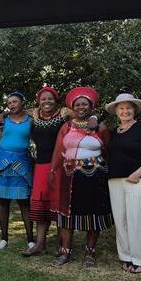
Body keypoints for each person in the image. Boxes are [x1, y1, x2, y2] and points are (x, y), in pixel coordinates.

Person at [50, 86, 113, 267]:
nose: (81, 107)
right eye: (77, 104)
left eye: (85, 104)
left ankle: (90, 252)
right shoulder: (67, 127)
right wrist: (53, 171)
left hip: (94, 175)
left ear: (91, 106)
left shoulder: (100, 127)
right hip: (69, 175)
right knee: (67, 214)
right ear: (73, 107)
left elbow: (108, 149)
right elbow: (58, 151)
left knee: (93, 212)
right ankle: (65, 251)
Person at [105, 92, 141, 274]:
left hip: (138, 180)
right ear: (116, 111)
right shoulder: (114, 132)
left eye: (128, 108)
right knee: (121, 220)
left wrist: (138, 173)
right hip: (115, 180)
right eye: (121, 108)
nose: (125, 111)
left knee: (138, 220)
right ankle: (126, 256)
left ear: (134, 110)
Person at [23, 86, 67, 256]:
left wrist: (93, 118)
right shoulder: (34, 115)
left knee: (59, 203)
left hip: (60, 165)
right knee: (40, 205)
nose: (46, 101)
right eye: (43, 99)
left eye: (50, 98)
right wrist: (2, 118)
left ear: (56, 100)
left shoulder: (63, 113)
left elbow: (82, 114)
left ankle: (62, 244)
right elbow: (16, 111)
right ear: (38, 101)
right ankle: (40, 244)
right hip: (40, 166)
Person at [0, 92, 34, 250]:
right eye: (9, 103)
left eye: (15, 101)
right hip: (3, 162)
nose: (12, 105)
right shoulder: (3, 120)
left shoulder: (31, 120)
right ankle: (4, 238)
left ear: (22, 103)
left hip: (21, 162)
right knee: (3, 201)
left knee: (24, 201)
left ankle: (30, 239)